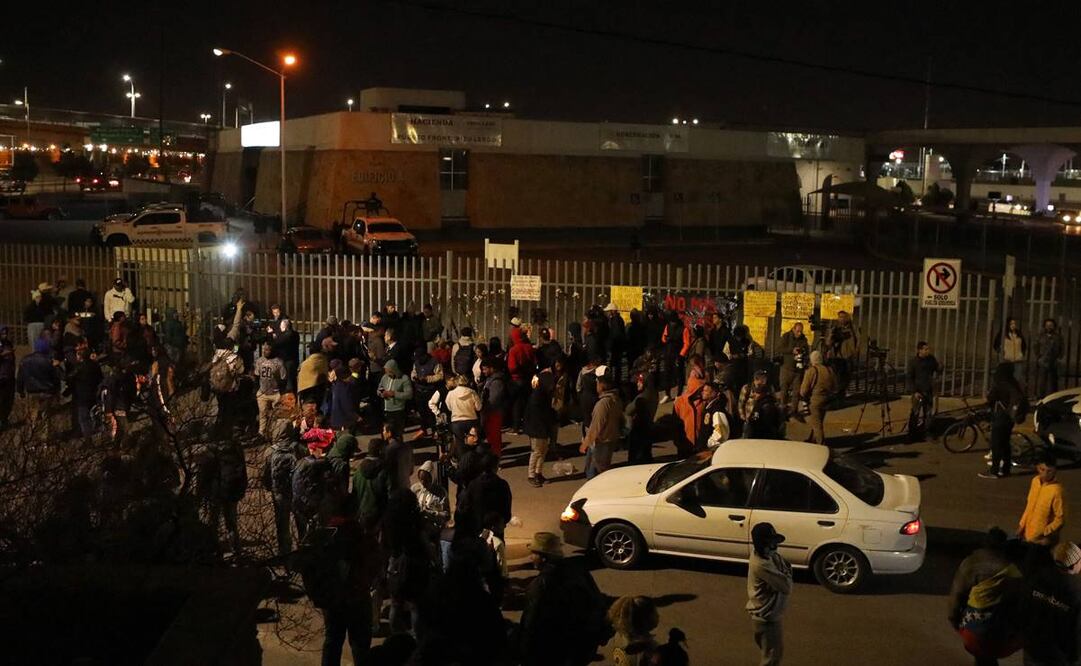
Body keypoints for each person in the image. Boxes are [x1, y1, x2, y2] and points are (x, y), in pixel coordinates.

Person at [519, 532, 608, 666]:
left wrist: (524, 653)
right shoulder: (578, 570)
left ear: (543, 557)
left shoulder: (540, 585)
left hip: (553, 651)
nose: (531, 558)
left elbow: (530, 623)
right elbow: (597, 601)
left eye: (533, 553)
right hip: (581, 647)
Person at [947, 527, 1025, 665]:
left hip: (973, 632)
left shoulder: (971, 563)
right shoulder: (1013, 569)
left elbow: (957, 595)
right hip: (1003, 635)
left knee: (982, 657)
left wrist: (955, 621)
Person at [1019, 541, 1081, 666]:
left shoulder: (1037, 578)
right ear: (1074, 565)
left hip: (1032, 648)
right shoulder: (1076, 593)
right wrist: (1074, 658)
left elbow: (1023, 609)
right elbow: (1076, 632)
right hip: (1057, 656)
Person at [262, 400, 307, 558]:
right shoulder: (299, 449)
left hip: (279, 493)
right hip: (297, 492)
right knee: (301, 523)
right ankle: (304, 550)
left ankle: (285, 554)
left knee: (283, 525)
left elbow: (266, 474)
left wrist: (270, 486)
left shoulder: (270, 451)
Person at [747, 522, 792, 666]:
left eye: (775, 542)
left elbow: (784, 566)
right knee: (771, 659)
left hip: (769, 618)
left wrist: (785, 571)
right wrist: (786, 572)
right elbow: (786, 586)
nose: (775, 546)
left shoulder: (768, 556)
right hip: (766, 620)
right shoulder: (762, 564)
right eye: (770, 543)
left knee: (773, 655)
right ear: (761, 545)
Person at [980, 363, 1028, 479]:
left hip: (1000, 417)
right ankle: (1006, 469)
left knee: (996, 445)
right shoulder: (1013, 383)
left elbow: (989, 399)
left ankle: (994, 471)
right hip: (1010, 418)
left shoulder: (1000, 384)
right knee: (1006, 444)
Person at [580, 367, 623, 479]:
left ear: (602, 385)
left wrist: (585, 443)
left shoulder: (602, 404)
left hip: (602, 441)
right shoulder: (615, 399)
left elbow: (596, 426)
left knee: (596, 472)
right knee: (603, 467)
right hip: (611, 438)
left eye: (597, 383)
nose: (596, 385)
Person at [17, 336, 61, 437]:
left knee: (33, 414)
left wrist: (20, 391)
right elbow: (55, 377)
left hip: (32, 391)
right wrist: (56, 391)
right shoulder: (49, 361)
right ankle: (45, 437)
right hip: (47, 391)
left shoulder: (25, 360)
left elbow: (20, 377)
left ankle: (31, 435)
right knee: (46, 415)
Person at [1017, 453, 1065, 545]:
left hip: (1041, 540)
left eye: (1049, 471)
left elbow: (1060, 518)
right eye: (1042, 469)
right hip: (1028, 536)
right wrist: (1021, 526)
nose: (1045, 474)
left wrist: (1045, 533)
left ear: (1055, 471)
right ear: (1037, 468)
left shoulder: (1057, 490)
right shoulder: (1035, 481)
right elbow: (1029, 506)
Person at [524, 370, 556, 486]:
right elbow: (538, 416)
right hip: (537, 429)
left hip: (542, 428)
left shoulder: (542, 394)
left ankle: (538, 473)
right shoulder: (537, 396)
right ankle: (531, 475)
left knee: (543, 452)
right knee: (537, 452)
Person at [608, 595, 659, 666]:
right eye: (655, 613)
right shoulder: (651, 651)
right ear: (645, 620)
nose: (658, 615)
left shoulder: (619, 635)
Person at [799, 350, 837, 445]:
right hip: (826, 399)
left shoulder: (812, 371)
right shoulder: (829, 370)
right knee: (818, 420)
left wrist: (803, 397)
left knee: (817, 424)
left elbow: (804, 390)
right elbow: (835, 385)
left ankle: (821, 444)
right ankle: (813, 439)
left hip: (815, 400)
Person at [905, 341, 941, 441]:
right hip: (918, 391)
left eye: (928, 349)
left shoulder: (931, 360)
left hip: (928, 390)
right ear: (919, 350)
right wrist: (914, 391)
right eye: (925, 349)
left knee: (928, 413)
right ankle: (912, 433)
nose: (927, 351)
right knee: (915, 413)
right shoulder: (913, 362)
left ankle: (927, 432)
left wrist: (940, 368)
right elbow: (909, 377)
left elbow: (937, 368)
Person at [442, 373, 482, 455]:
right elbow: (479, 407)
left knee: (460, 443)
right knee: (474, 441)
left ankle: (462, 462)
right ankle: (474, 459)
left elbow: (449, 408)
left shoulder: (450, 393)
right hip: (471, 420)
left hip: (457, 421)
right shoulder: (472, 392)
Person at [254, 342, 287, 439]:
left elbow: (283, 378)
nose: (265, 351)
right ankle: (261, 433)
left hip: (275, 393)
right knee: (262, 414)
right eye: (264, 349)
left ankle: (275, 433)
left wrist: (281, 392)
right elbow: (256, 376)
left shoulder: (278, 362)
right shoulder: (259, 361)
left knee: (276, 415)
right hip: (263, 392)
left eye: (267, 349)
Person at [410, 347, 444, 440]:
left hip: (431, 391)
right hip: (420, 391)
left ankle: (435, 430)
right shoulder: (416, 363)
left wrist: (427, 379)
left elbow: (440, 376)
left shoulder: (434, 362)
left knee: (431, 413)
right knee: (422, 412)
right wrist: (414, 377)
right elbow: (413, 372)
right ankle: (423, 429)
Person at [777, 321, 809, 418]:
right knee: (784, 390)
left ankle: (794, 410)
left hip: (798, 369)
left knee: (796, 391)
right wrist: (792, 351)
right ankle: (783, 409)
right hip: (786, 368)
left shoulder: (804, 339)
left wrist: (802, 353)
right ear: (793, 329)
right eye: (798, 331)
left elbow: (806, 350)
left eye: (801, 331)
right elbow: (779, 349)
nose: (799, 333)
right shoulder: (786, 336)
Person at [625, 370, 658, 464]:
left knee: (637, 457)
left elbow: (628, 410)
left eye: (640, 381)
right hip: (648, 427)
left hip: (639, 430)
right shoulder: (654, 394)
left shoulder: (641, 398)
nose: (637, 384)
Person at [411, 460, 450, 538]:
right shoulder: (415, 489)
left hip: (435, 532)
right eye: (421, 479)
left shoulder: (440, 492)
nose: (423, 482)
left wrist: (430, 513)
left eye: (426, 480)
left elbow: (446, 516)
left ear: (432, 478)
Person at [479, 358, 508, 456]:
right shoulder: (490, 379)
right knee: (491, 436)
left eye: (485, 369)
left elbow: (494, 400)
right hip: (490, 412)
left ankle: (496, 458)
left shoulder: (497, 382)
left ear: (492, 368)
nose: (483, 372)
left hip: (494, 413)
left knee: (494, 437)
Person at [377, 360, 412, 436]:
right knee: (386, 432)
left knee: (397, 432)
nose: (387, 374)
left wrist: (394, 394)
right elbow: (379, 388)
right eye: (386, 371)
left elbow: (409, 394)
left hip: (398, 410)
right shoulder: (385, 377)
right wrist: (381, 393)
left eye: (389, 372)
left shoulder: (404, 378)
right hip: (386, 409)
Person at [994, 317, 1027, 390]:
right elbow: (996, 345)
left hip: (1018, 360)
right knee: (1005, 379)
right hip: (1006, 360)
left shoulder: (1019, 334)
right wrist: (1002, 353)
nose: (1013, 325)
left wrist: (1021, 354)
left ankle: (1015, 395)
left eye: (1014, 323)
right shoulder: (1002, 334)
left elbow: (1024, 345)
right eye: (1011, 323)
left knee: (1016, 379)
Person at [1034, 318, 1064, 399]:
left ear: (1054, 326)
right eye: (1047, 325)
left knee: (1053, 381)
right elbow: (1036, 346)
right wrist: (1039, 357)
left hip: (1054, 361)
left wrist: (1059, 358)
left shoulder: (1058, 336)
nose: (1049, 327)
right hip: (1043, 361)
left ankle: (1054, 397)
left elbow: (1062, 348)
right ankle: (1041, 397)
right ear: (1044, 326)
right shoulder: (1040, 336)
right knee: (1042, 381)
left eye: (1051, 325)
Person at [382, 421, 414, 495]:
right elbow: (411, 470)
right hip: (406, 484)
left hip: (393, 489)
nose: (383, 432)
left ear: (389, 433)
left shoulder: (388, 450)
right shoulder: (407, 447)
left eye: (384, 430)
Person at [0, 327, 15, 429]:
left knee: (8, 400)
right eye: (3, 333)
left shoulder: (8, 343)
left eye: (6, 333)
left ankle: (4, 419)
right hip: (1, 377)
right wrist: (3, 354)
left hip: (9, 375)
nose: (5, 335)